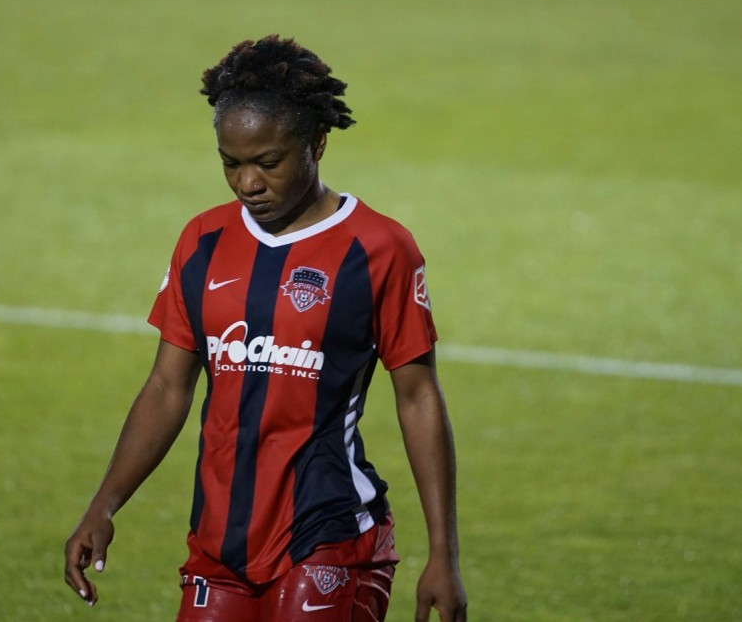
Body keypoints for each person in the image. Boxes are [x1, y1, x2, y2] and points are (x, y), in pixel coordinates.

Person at [64, 35, 468, 621]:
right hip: (219, 545)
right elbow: (167, 387)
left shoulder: (378, 249)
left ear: (317, 143)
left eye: (268, 163)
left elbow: (418, 395)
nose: (248, 183)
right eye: (231, 163)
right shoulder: (202, 242)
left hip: (329, 533)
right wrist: (104, 505)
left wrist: (443, 553)